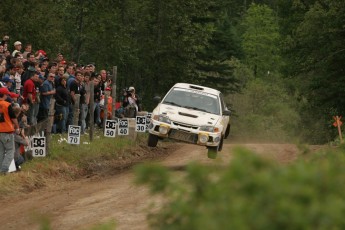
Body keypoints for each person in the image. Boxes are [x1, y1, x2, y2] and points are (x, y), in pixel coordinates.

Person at [0, 87, 20, 175]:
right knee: (10, 151)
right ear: (5, 95)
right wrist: (17, 127)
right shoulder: (7, 105)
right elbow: (13, 118)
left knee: (0, 151)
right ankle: (4, 170)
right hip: (7, 130)